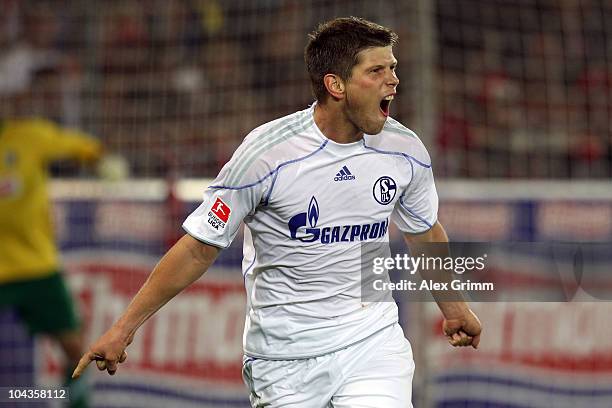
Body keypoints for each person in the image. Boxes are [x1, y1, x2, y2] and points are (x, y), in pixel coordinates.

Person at [73, 17, 481, 407]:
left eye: (392, 67)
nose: (393, 80)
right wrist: (123, 329)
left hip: (371, 342)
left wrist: (455, 308)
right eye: (377, 71)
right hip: (283, 360)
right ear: (335, 84)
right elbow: (199, 248)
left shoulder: (404, 150)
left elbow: (424, 232)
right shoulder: (267, 154)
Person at [0, 117, 101, 408]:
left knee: (74, 349)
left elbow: (86, 148)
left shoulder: (30, 137)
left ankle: (72, 402)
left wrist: (96, 157)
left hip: (37, 267)